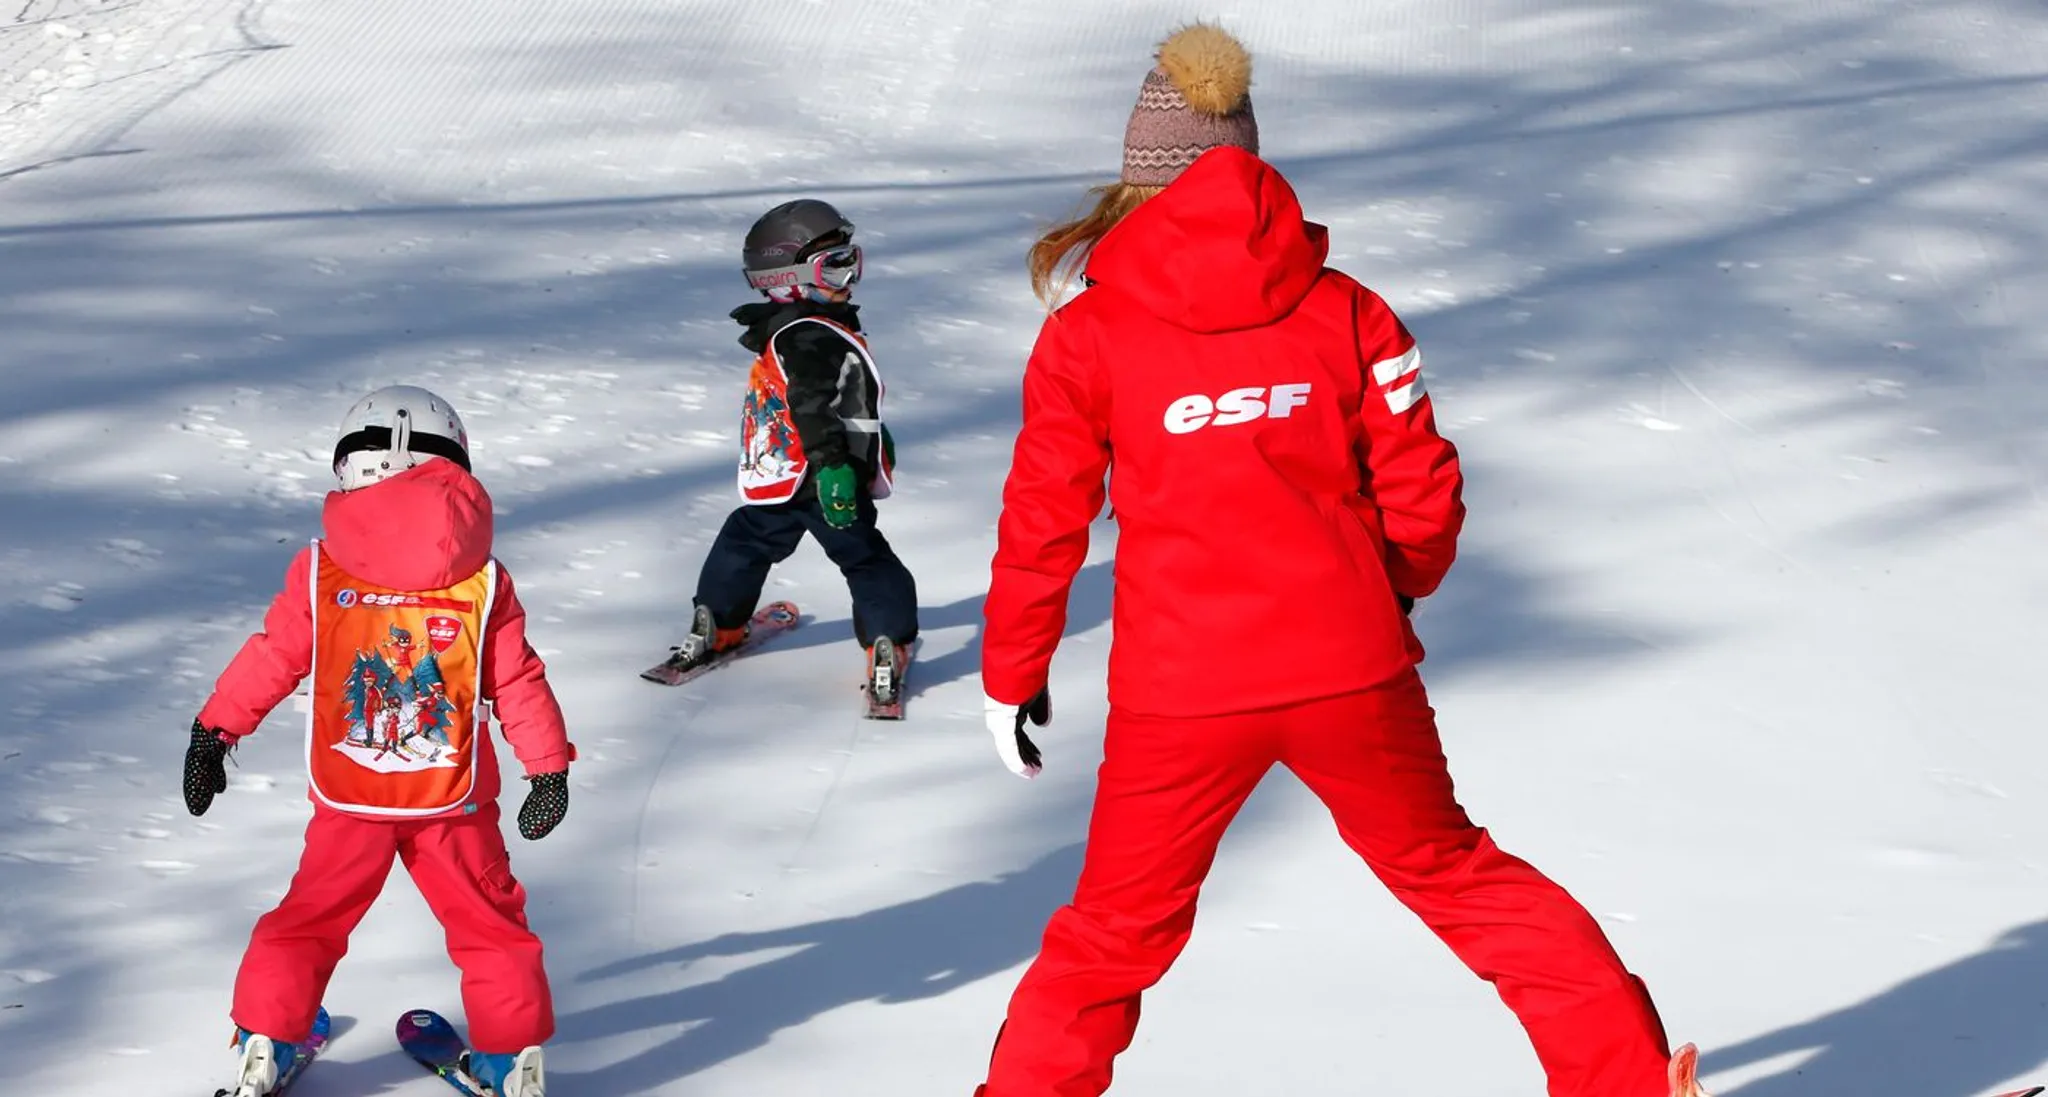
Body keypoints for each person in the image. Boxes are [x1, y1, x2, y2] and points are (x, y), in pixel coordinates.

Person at [972, 23, 1710, 1097]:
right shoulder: (1346, 309)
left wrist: (1011, 671)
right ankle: (1627, 1081)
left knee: (1112, 934)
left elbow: (1044, 520)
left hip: (1182, 692)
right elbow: (1423, 493)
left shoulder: (1089, 335)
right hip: (1351, 671)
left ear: (1138, 178)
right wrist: (1378, 590)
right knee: (1456, 872)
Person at [185, 384, 571, 1097]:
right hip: (452, 800)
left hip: (352, 798)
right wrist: (547, 768)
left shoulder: (320, 571)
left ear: (349, 468)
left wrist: (214, 731)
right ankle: (511, 1060)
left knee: (310, 917)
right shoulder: (483, 580)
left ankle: (265, 1042)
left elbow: (274, 656)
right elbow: (517, 678)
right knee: (489, 923)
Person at [654, 199, 919, 700]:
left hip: (785, 478)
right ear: (787, 280)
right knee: (864, 558)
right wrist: (835, 466)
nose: (849, 279)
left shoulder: (796, 329)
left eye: (851, 262)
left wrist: (873, 434)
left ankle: (717, 624)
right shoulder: (809, 336)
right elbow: (811, 406)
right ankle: (887, 642)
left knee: (745, 540)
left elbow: (839, 398)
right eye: (833, 267)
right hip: (826, 478)